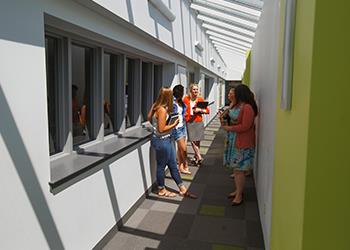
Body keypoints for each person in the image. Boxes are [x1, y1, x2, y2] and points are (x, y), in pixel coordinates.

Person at [148, 87, 196, 198]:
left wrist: (156, 125)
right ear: (167, 96)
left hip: (165, 139)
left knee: (173, 165)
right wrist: (173, 124)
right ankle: (162, 189)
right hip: (162, 140)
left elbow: (149, 118)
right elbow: (161, 129)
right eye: (171, 95)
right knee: (161, 166)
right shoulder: (162, 110)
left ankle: (182, 189)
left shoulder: (156, 105)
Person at [221, 84, 258, 206]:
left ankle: (239, 195)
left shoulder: (247, 107)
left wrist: (229, 128)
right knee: (236, 170)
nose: (233, 94)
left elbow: (245, 126)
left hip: (242, 143)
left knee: (239, 170)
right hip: (236, 141)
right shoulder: (239, 105)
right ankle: (238, 190)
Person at [183, 83, 209, 166]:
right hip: (190, 121)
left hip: (198, 121)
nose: (195, 91)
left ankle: (196, 158)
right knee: (193, 140)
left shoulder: (200, 99)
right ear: (190, 90)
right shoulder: (186, 99)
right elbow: (183, 110)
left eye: (197, 89)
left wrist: (200, 110)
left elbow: (207, 111)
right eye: (194, 89)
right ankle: (199, 156)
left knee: (197, 141)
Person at [172, 85, 191, 175]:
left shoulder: (181, 102)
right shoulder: (172, 102)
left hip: (182, 126)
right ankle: (185, 165)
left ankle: (181, 167)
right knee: (184, 149)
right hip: (176, 128)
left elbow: (183, 113)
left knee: (180, 148)